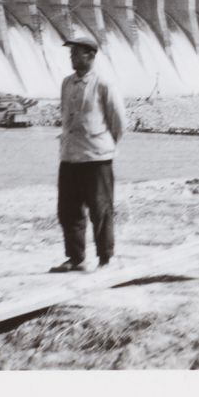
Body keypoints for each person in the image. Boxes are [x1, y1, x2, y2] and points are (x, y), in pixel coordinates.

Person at [49, 29, 127, 273]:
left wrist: (105, 146)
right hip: (70, 156)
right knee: (68, 210)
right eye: (71, 53)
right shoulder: (67, 83)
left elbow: (118, 121)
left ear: (90, 55)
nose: (71, 57)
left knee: (101, 208)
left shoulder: (103, 84)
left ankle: (106, 258)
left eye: (76, 53)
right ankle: (75, 258)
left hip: (96, 157)